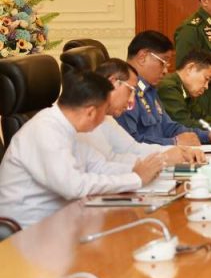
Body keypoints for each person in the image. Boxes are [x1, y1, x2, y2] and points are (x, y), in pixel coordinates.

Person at [0, 70, 165, 227]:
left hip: (62, 219)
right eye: (104, 111)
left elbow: (98, 166)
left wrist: (137, 170)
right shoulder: (45, 131)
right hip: (28, 229)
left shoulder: (66, 127)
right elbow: (73, 187)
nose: (104, 119)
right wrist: (135, 179)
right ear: (91, 112)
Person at [82, 58, 203, 165]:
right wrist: (163, 158)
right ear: (113, 82)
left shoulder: (107, 120)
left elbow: (133, 148)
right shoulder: (85, 119)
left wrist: (179, 151)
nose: (132, 100)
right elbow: (102, 167)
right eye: (130, 90)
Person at [116, 30, 210, 146]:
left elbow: (169, 127)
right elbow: (129, 142)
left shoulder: (150, 90)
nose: (165, 70)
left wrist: (208, 135)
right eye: (163, 62)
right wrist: (174, 142)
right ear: (142, 57)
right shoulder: (125, 89)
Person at [158, 50, 211, 130]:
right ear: (190, 68)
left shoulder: (186, 90)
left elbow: (201, 117)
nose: (206, 86)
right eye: (206, 79)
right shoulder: (168, 87)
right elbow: (185, 124)